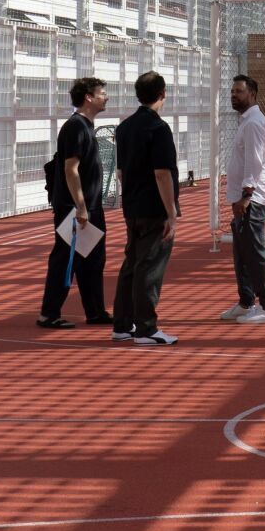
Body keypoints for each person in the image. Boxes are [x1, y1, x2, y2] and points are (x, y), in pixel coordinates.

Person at [110, 69, 181, 348]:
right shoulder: (158, 129)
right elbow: (162, 173)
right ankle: (146, 328)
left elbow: (120, 172)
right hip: (154, 207)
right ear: (163, 94)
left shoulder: (125, 127)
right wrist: (171, 212)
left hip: (133, 205)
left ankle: (122, 324)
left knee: (132, 264)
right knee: (149, 267)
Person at [37, 76, 109, 330]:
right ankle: (49, 313)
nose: (105, 97)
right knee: (65, 259)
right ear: (88, 97)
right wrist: (80, 206)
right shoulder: (76, 127)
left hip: (89, 206)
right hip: (75, 208)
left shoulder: (85, 126)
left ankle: (95, 310)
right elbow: (71, 169)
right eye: (101, 93)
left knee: (93, 259)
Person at [221, 72, 265, 328]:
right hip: (243, 198)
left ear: (252, 94)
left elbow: (255, 164)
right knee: (242, 253)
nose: (234, 95)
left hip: (251, 200)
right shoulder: (246, 121)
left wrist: (247, 196)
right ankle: (246, 302)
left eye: (239, 91)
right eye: (233, 91)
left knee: (255, 253)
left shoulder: (254, 123)